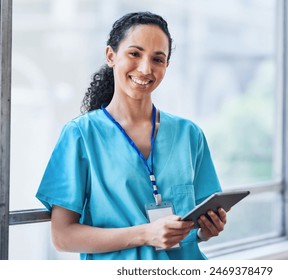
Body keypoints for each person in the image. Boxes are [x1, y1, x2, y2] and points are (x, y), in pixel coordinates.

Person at [36, 11, 227, 260]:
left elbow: (193, 229)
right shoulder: (80, 135)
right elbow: (63, 236)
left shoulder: (189, 135)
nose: (146, 68)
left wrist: (205, 232)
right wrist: (146, 234)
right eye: (134, 54)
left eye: (158, 59)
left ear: (166, 65)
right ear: (111, 56)